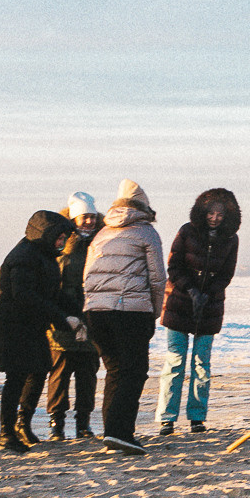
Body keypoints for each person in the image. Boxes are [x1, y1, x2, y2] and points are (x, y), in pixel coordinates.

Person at [81, 179, 166, 455]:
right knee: (134, 371)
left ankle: (112, 432)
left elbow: (87, 276)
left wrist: (90, 307)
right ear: (144, 207)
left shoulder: (102, 234)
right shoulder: (146, 233)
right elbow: (157, 279)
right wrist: (153, 312)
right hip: (129, 310)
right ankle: (120, 432)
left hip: (96, 312)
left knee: (115, 370)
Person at [0, 210, 76, 453]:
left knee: (38, 370)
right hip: (12, 325)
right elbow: (24, 295)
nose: (62, 242)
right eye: (60, 237)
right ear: (46, 234)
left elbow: (51, 294)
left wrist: (76, 311)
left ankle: (22, 424)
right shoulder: (24, 255)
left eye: (65, 238)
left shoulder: (44, 255)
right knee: (15, 377)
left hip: (31, 325)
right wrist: (60, 317)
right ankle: (6, 433)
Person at [157, 187, 242, 436]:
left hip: (210, 307)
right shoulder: (186, 231)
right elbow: (173, 266)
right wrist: (191, 290)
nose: (215, 218)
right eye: (211, 213)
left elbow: (226, 273)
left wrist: (208, 293)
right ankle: (167, 418)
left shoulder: (230, 239)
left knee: (201, 364)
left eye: (220, 214)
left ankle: (197, 417)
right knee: (175, 361)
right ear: (202, 212)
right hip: (179, 303)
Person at [45, 192, 102, 440]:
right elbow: (52, 280)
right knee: (60, 373)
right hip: (62, 319)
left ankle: (83, 423)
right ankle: (56, 424)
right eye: (83, 217)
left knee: (88, 374)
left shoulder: (101, 239)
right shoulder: (59, 242)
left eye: (91, 216)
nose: (88, 221)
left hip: (92, 317)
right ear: (74, 218)